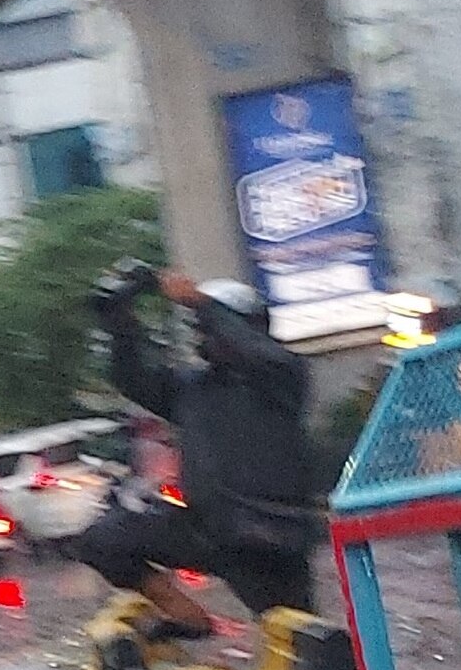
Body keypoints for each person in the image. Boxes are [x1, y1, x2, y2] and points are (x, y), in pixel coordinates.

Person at [76, 265, 331, 635]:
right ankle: (187, 619)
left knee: (301, 642)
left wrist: (199, 302)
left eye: (206, 328)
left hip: (271, 535)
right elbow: (133, 378)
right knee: (106, 539)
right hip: (209, 529)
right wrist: (120, 321)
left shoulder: (282, 376)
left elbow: (257, 353)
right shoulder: (193, 389)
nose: (200, 337)